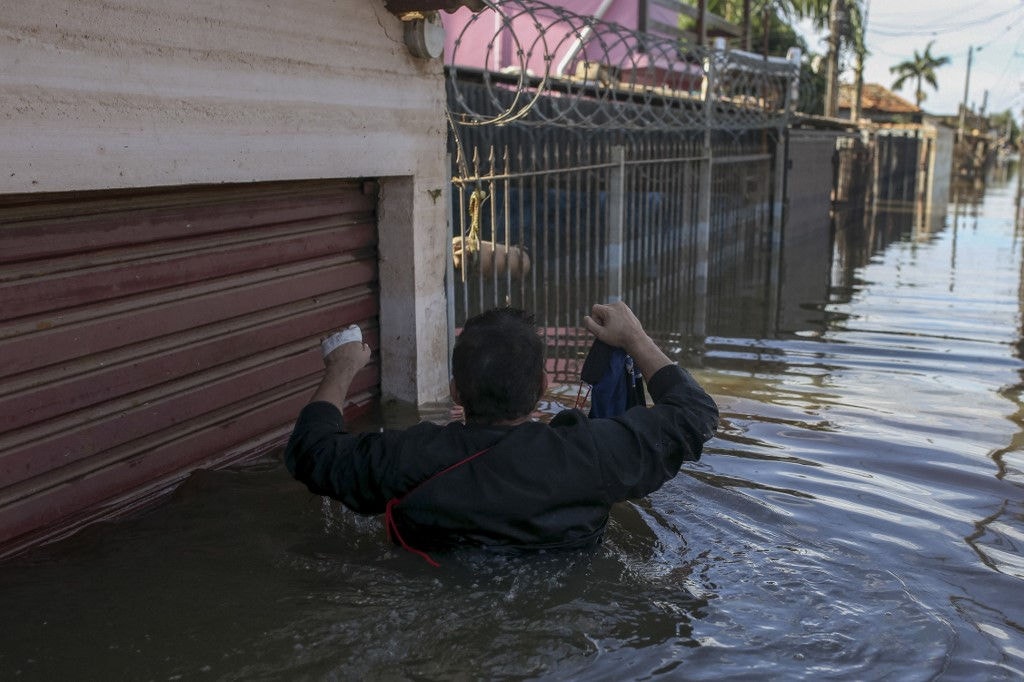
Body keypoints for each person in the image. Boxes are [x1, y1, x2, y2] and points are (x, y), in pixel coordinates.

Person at [285, 301, 719, 564]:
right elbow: (695, 412)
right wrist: (636, 339)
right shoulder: (592, 455)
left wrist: (341, 370)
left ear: (456, 391)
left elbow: (310, 451)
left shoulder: (406, 456)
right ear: (542, 390)